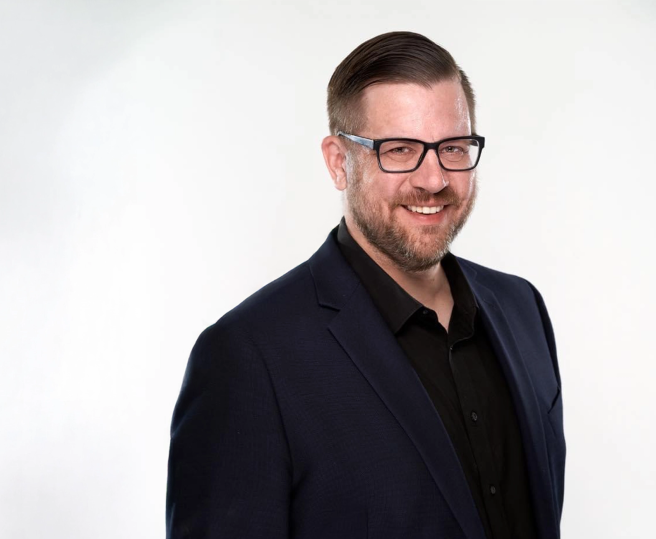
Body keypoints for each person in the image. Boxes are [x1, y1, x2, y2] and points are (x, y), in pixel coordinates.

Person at [166, 31, 565, 539]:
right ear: (338, 161)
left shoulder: (522, 308)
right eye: (399, 150)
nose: (433, 179)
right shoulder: (247, 358)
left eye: (452, 147)